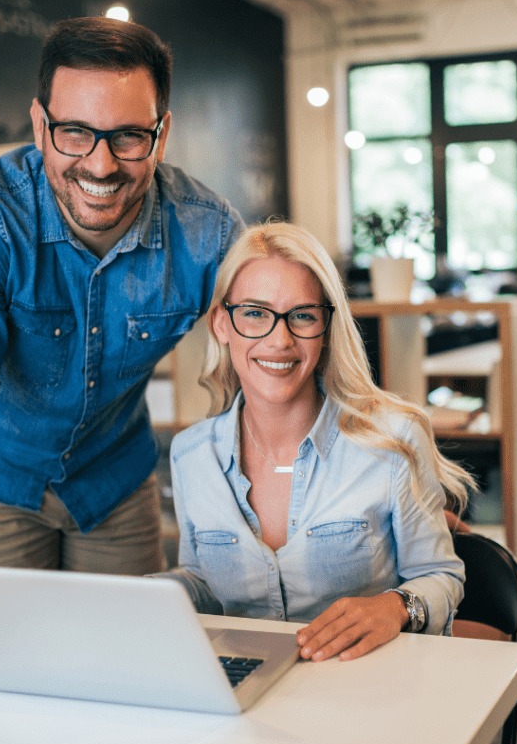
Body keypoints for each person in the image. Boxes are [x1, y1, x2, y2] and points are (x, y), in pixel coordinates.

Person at [0, 17, 243, 666]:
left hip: (116, 483)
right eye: (75, 132)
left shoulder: (206, 232)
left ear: (162, 132)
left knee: (131, 672)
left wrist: (395, 484)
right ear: (41, 124)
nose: (100, 164)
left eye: (129, 136)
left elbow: (291, 354)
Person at [159, 221, 473, 662]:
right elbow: (205, 585)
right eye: (254, 313)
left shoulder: (393, 440)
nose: (280, 339)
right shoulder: (191, 454)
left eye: (302, 316)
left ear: (326, 329)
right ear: (221, 325)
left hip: (366, 689)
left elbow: (441, 574)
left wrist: (394, 607)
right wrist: (151, 593)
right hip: (247, 690)